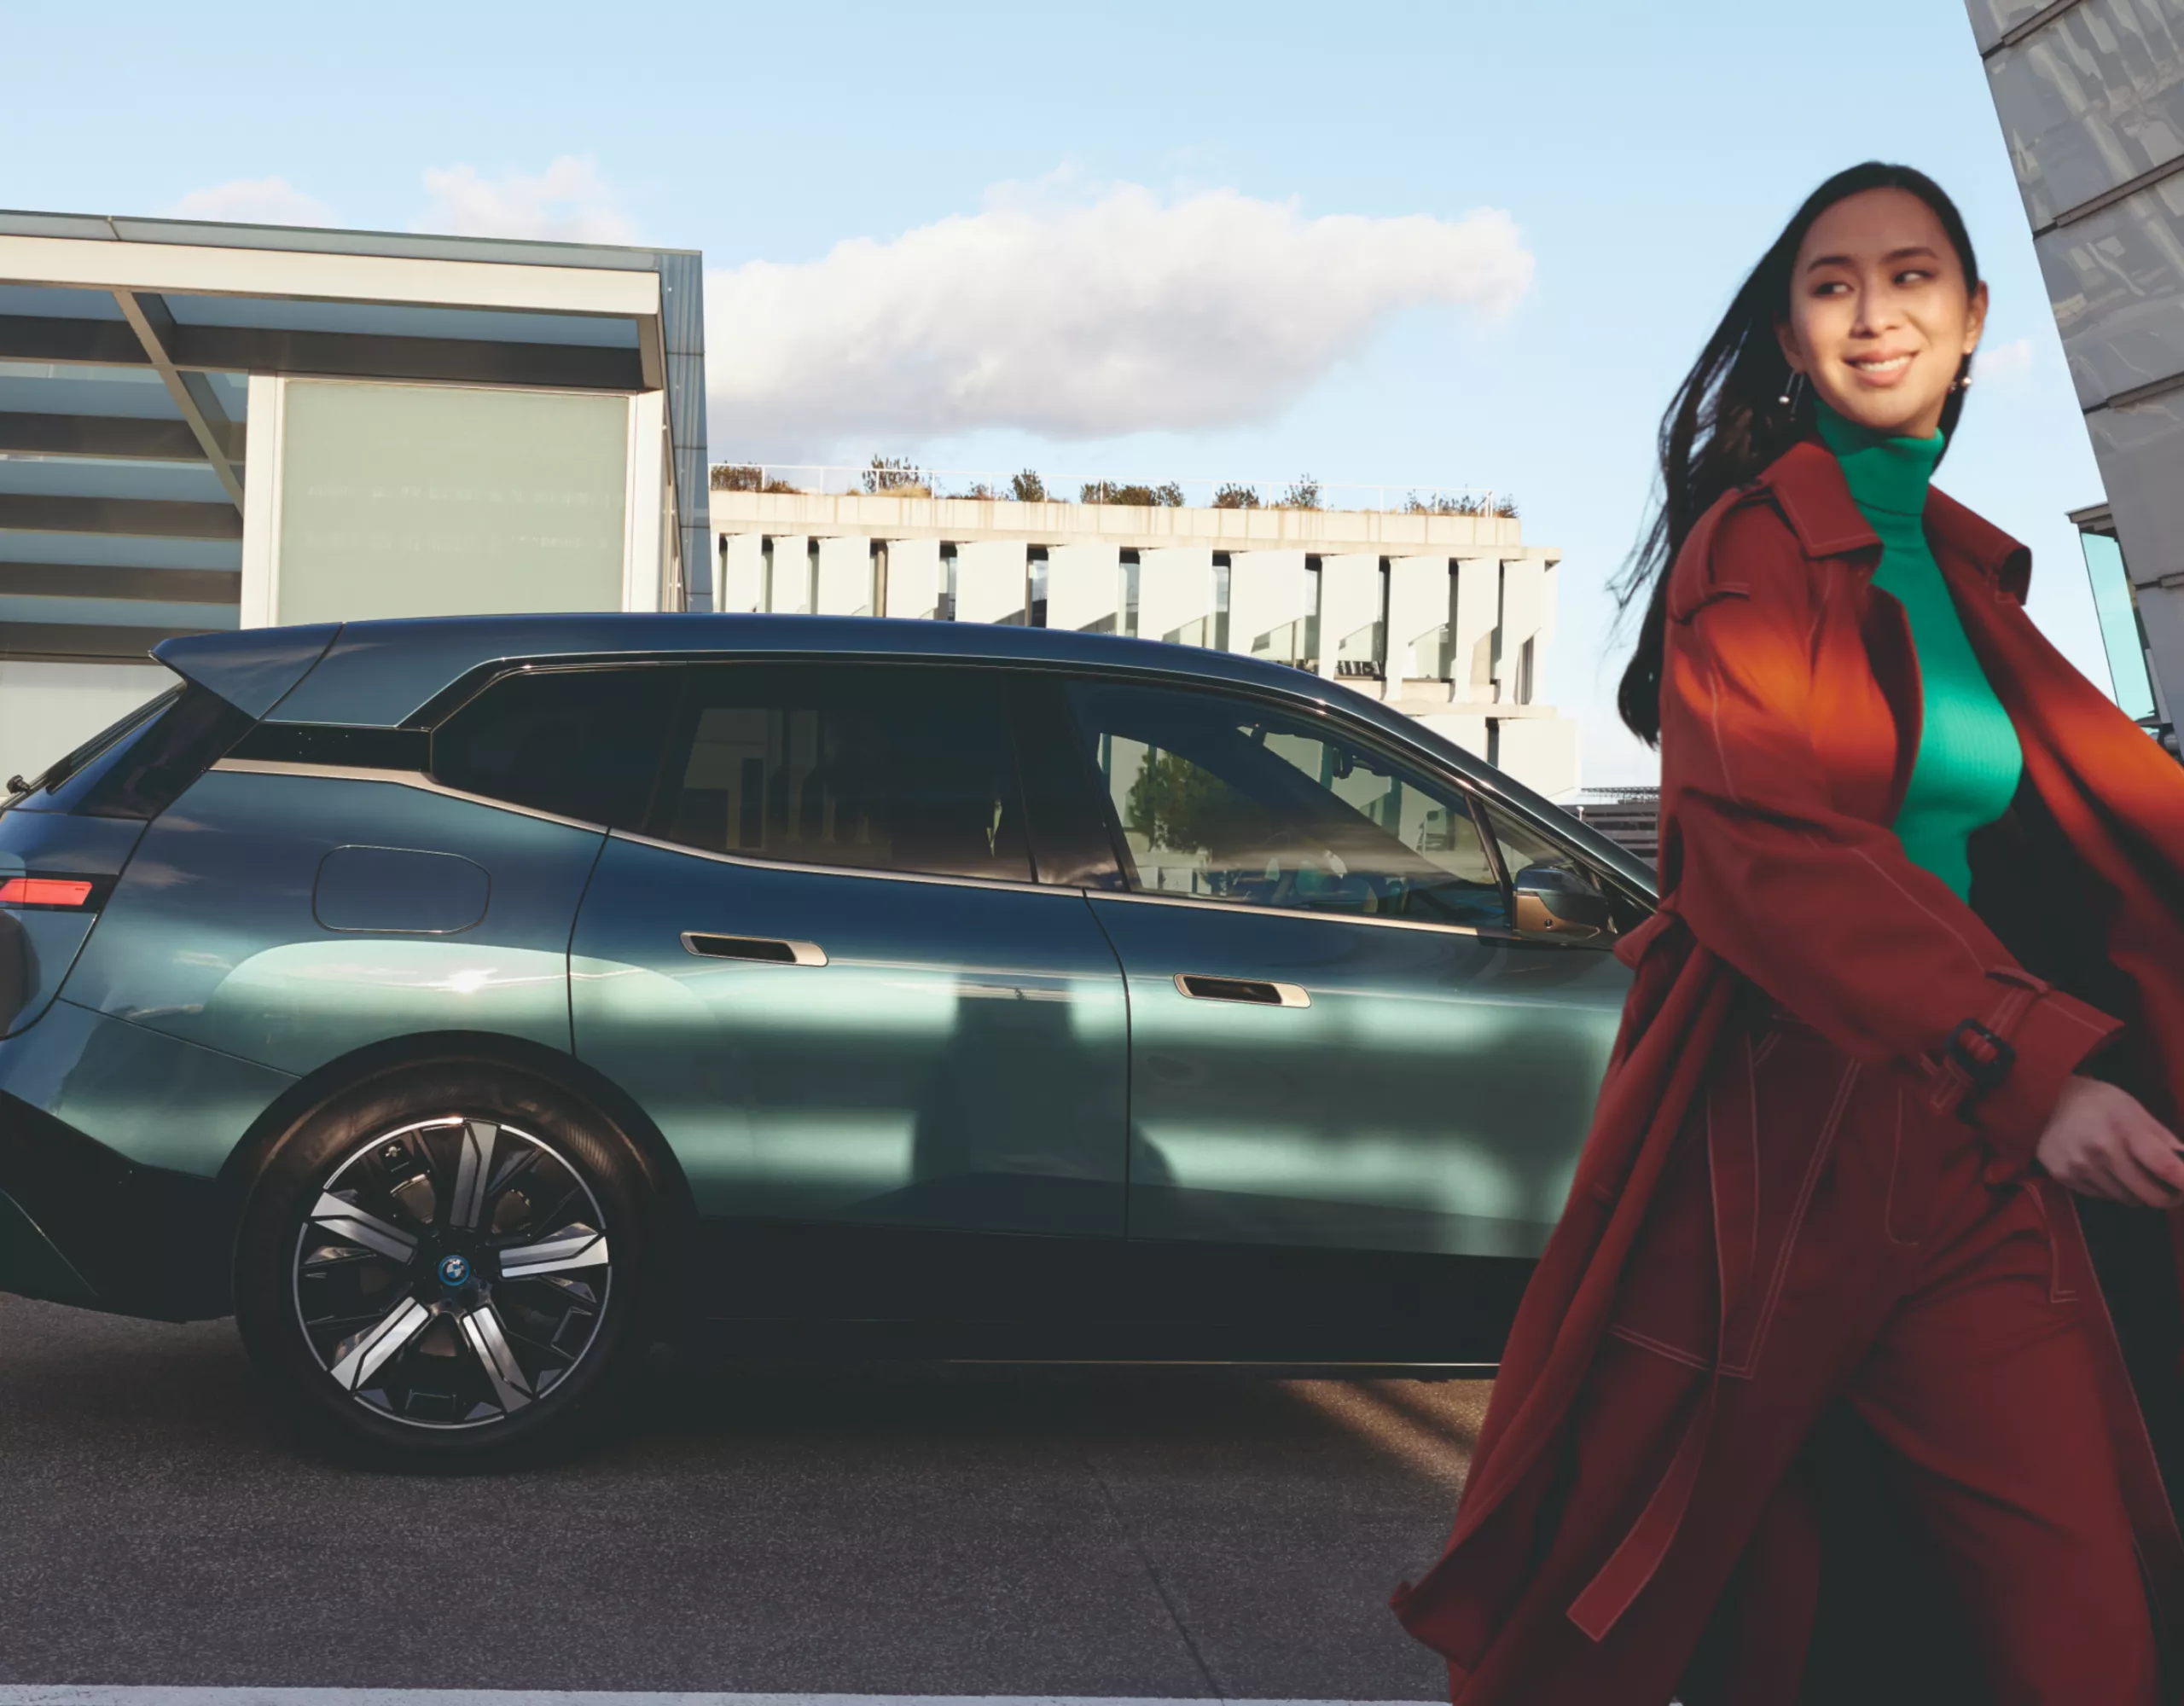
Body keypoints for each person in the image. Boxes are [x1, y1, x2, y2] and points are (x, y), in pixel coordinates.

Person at [1391, 160, 2184, 1704]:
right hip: (1786, 1144)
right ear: (1789, 330)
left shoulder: (1964, 568)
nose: (1874, 312)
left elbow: (2083, 833)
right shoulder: (1748, 552)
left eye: (1911, 280)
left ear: (1972, 327)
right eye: (1833, 284)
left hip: (1962, 1136)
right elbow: (1766, 856)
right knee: (1629, 1582)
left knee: (2078, 1615)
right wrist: (2032, 1067)